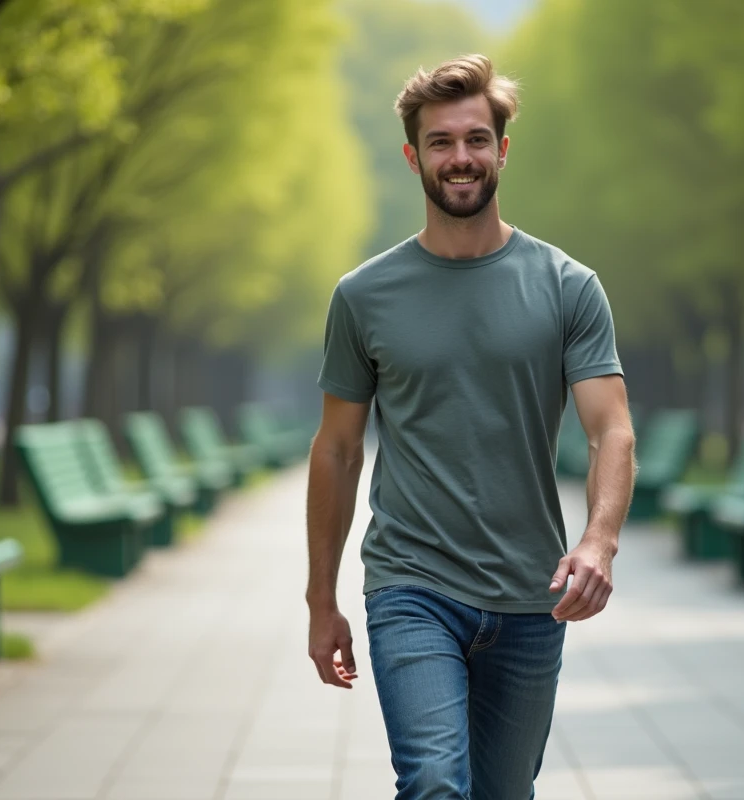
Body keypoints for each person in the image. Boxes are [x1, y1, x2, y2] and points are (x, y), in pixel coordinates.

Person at [305, 53, 636, 799]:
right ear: (413, 157)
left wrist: (599, 541)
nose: (461, 157)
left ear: (502, 149)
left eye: (476, 139)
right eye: (442, 142)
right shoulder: (364, 296)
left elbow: (611, 430)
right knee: (433, 782)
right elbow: (337, 449)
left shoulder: (568, 287)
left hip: (530, 594)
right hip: (411, 585)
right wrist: (321, 599)